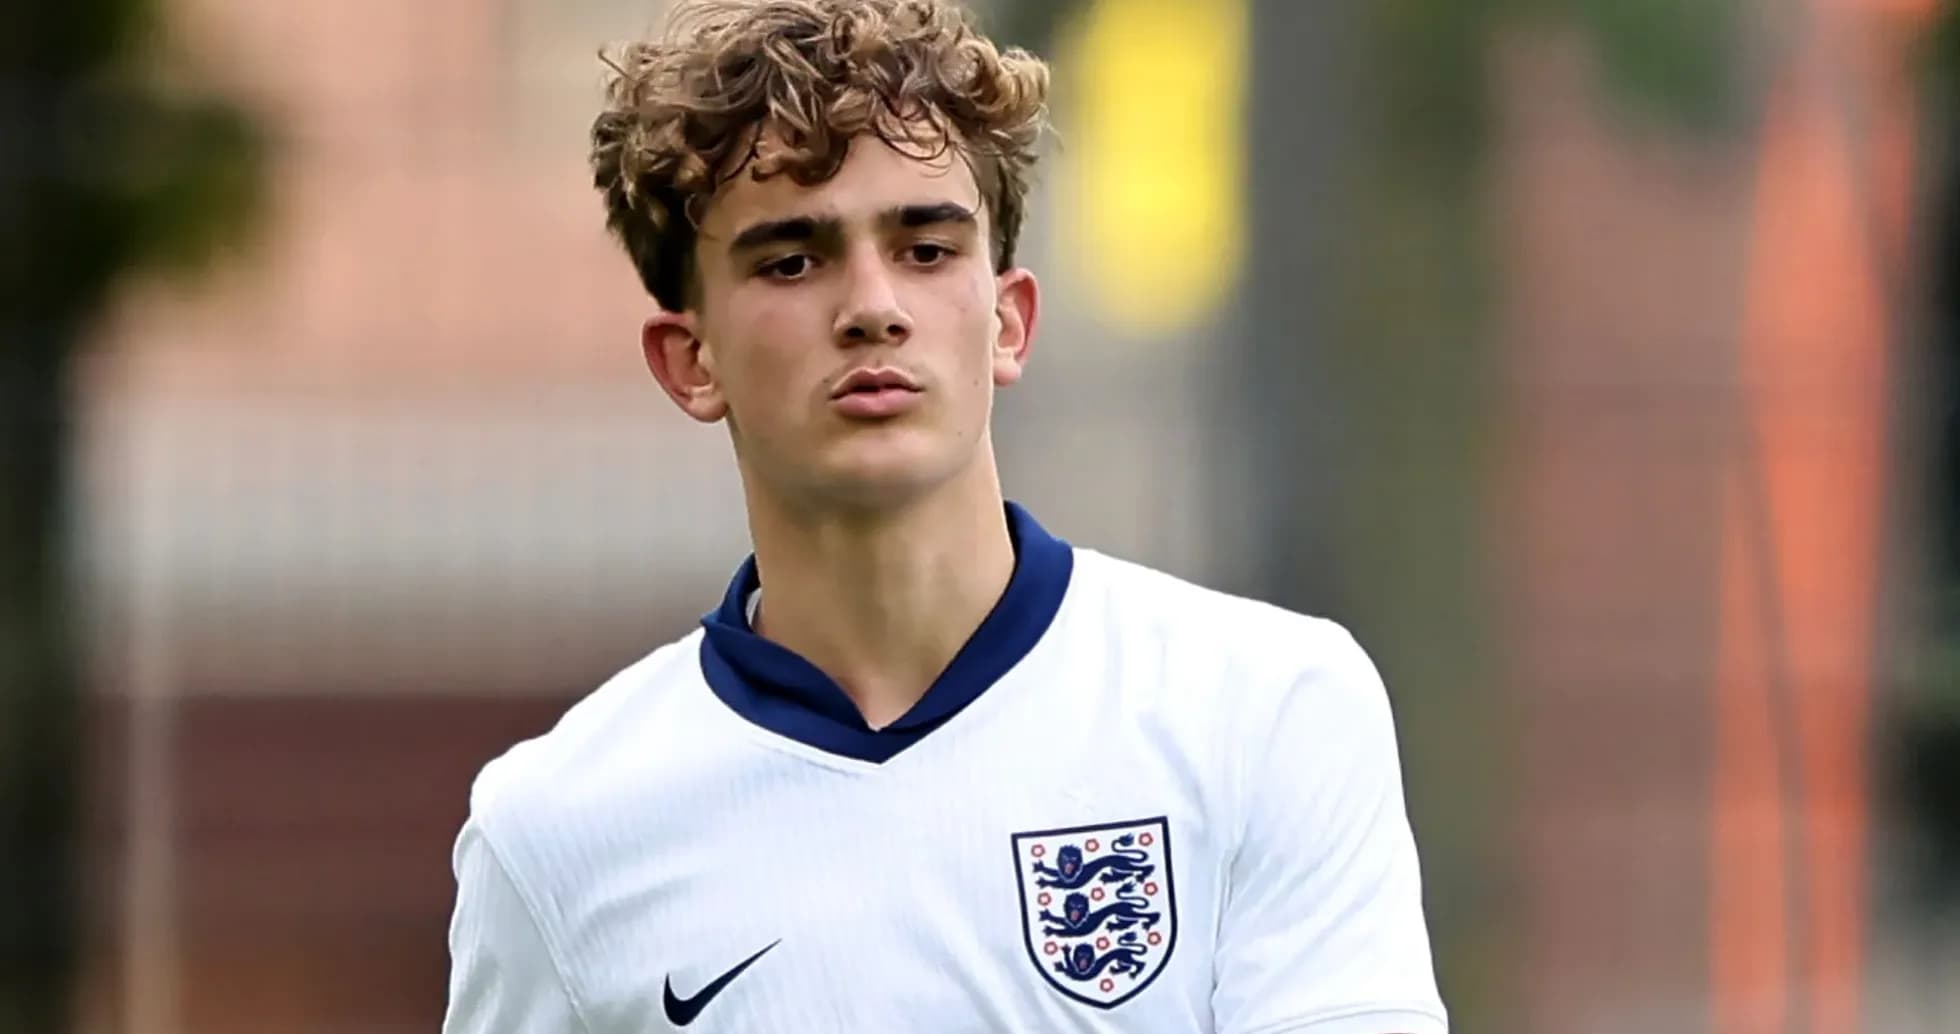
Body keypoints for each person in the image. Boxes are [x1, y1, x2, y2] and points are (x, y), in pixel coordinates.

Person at [440, 0, 1448, 1030]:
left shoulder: (1264, 709)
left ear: (1008, 321)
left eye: (925, 248)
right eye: (792, 261)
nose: (873, 307)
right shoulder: (555, 833)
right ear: (691, 360)